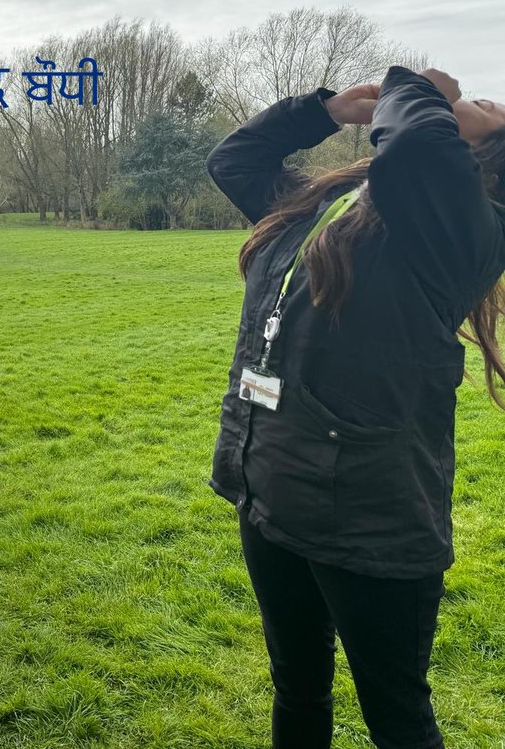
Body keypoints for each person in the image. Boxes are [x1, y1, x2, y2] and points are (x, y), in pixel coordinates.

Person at [208, 66, 505, 749]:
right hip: (274, 492)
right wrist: (326, 110)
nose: (475, 98)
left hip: (370, 517)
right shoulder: (330, 200)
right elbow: (235, 160)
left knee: (397, 717)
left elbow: (414, 152)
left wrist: (419, 85)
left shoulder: (467, 226)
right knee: (297, 687)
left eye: (490, 106)